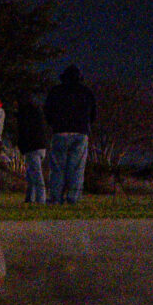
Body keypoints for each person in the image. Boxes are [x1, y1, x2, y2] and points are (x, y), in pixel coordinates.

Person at [42, 64, 97, 205]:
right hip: (80, 132)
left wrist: (53, 124)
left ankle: (55, 197)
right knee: (77, 168)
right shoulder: (87, 92)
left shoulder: (56, 91)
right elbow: (93, 114)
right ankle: (73, 197)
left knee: (58, 167)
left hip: (60, 131)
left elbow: (47, 111)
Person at [14, 87, 51, 205]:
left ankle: (40, 199)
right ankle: (30, 198)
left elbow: (24, 130)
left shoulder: (24, 113)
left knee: (36, 174)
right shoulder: (37, 110)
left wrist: (21, 145)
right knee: (31, 173)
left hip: (32, 146)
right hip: (41, 146)